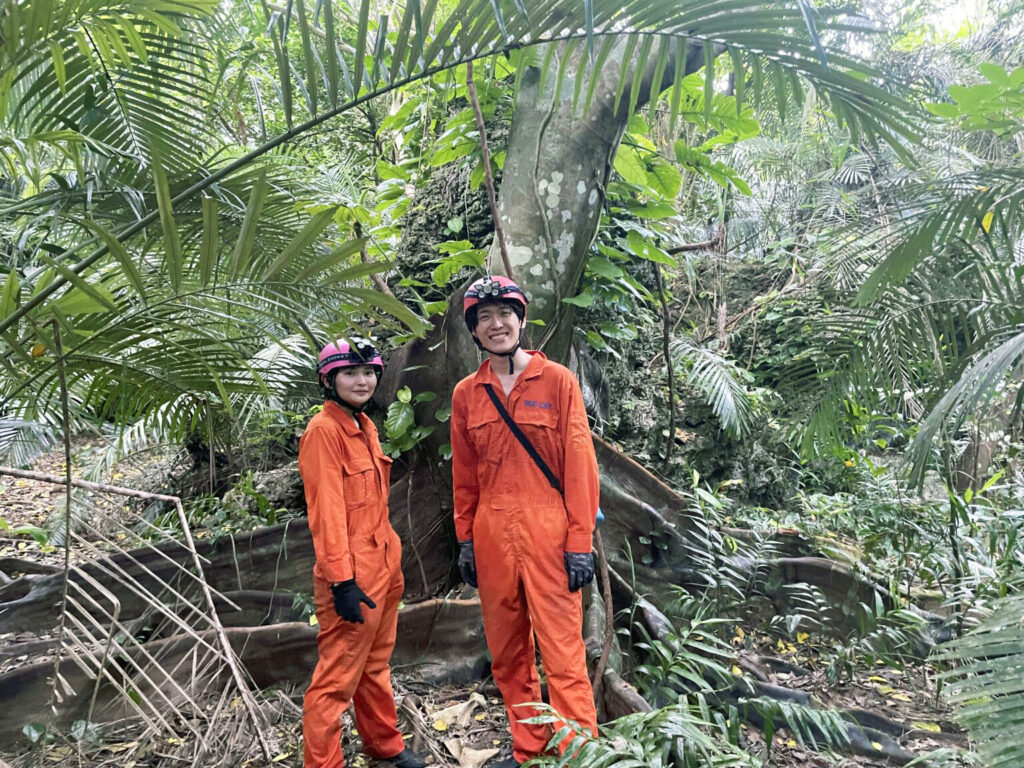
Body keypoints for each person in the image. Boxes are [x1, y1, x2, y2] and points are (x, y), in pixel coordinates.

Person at [450, 276, 600, 768]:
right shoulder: (467, 395)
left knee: (562, 652)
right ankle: (530, 749)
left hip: (549, 531)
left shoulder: (557, 381)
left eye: (504, 314)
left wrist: (580, 541)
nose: (496, 324)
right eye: (484, 318)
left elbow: (580, 465)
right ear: (474, 330)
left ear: (521, 320)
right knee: (508, 652)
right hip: (493, 533)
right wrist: (465, 539)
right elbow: (465, 475)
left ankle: (579, 752)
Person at [298, 338, 425, 768]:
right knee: (335, 681)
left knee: (375, 664)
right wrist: (341, 581)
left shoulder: (365, 426)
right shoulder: (323, 432)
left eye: (369, 372)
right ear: (328, 380)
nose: (362, 380)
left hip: (383, 565)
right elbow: (327, 514)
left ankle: (383, 744)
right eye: (350, 373)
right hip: (352, 574)